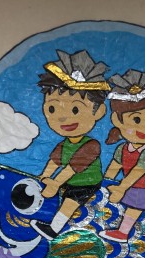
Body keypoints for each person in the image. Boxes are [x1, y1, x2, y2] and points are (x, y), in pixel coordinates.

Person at [31, 49, 110, 240]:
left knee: (70, 202)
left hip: (87, 183)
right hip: (69, 181)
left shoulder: (92, 145)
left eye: (75, 109)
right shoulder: (64, 143)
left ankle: (53, 229)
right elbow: (54, 161)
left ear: (99, 112)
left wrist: (55, 183)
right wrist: (44, 177)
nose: (62, 117)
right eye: (52, 108)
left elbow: (73, 167)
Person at [100, 70, 145, 243]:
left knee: (135, 205)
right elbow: (113, 169)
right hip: (131, 186)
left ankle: (123, 233)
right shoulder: (122, 148)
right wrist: (104, 185)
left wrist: (121, 188)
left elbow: (137, 172)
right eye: (137, 120)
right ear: (117, 120)